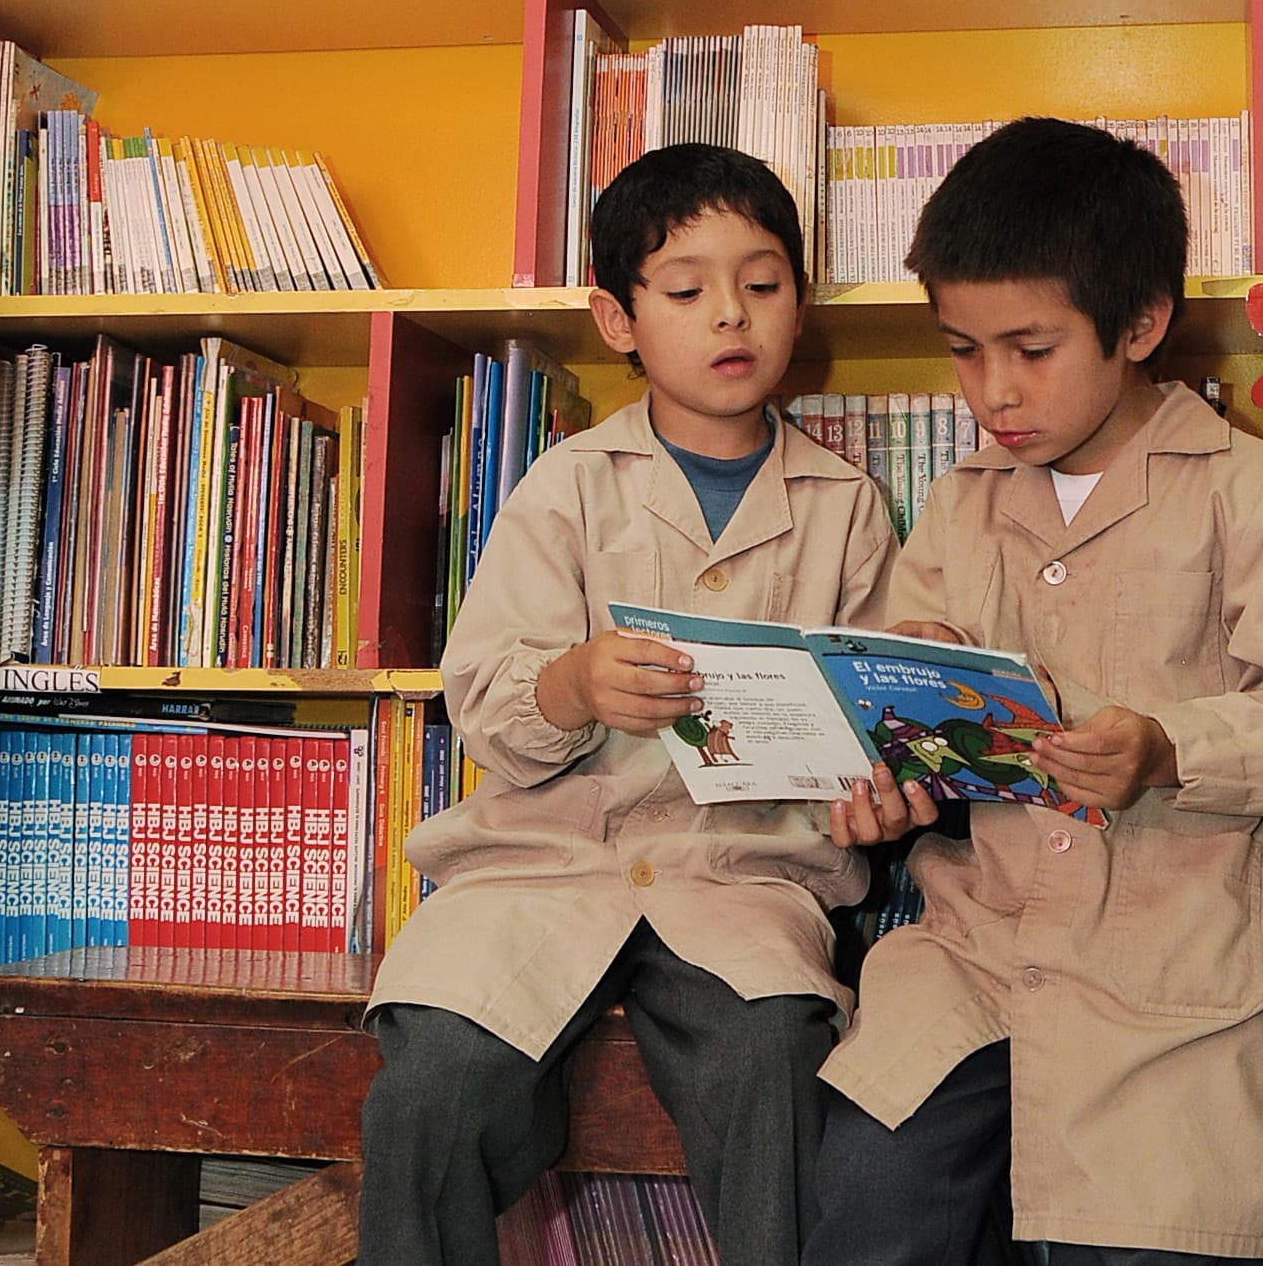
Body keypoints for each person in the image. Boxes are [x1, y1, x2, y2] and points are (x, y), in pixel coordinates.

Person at [804, 117, 1263, 1265]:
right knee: (870, 1183)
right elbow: (911, 712)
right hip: (982, 944)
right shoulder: (965, 500)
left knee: (1133, 1230)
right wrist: (889, 755)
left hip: (1181, 964)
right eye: (964, 349)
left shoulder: (1250, 491)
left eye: (1030, 347)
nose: (992, 390)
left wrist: (1170, 747)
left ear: (1140, 324)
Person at [361, 143, 897, 1266]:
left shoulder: (847, 508)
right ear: (617, 317)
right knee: (436, 1079)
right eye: (687, 289)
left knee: (775, 1063)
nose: (730, 316)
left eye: (762, 283)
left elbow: (877, 710)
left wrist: (879, 793)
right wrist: (570, 682)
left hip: (742, 875)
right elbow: (488, 694)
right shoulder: (566, 485)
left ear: (800, 301)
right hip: (542, 866)